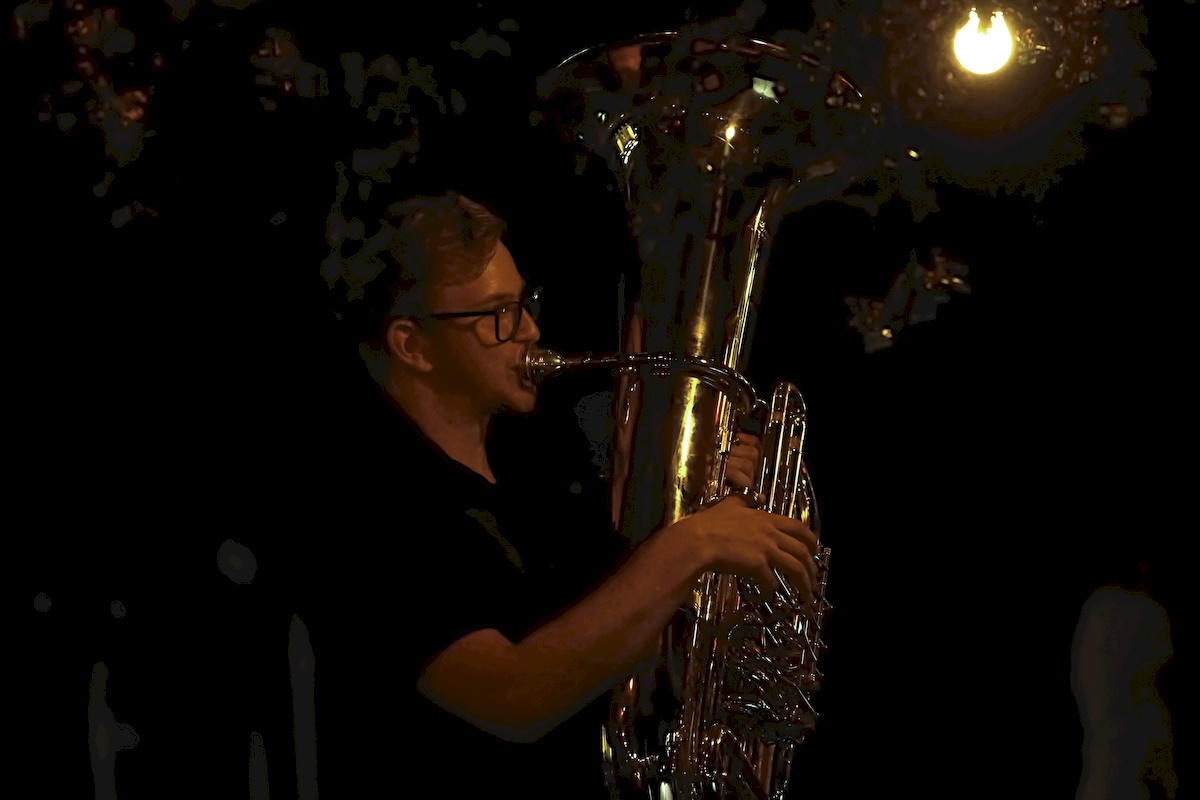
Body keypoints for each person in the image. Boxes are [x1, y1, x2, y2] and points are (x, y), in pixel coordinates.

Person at [298, 190, 819, 797]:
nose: (530, 330)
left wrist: (716, 506)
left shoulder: (536, 483)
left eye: (524, 303)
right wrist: (692, 545)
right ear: (412, 345)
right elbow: (512, 696)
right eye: (499, 314)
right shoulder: (368, 507)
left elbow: (621, 646)